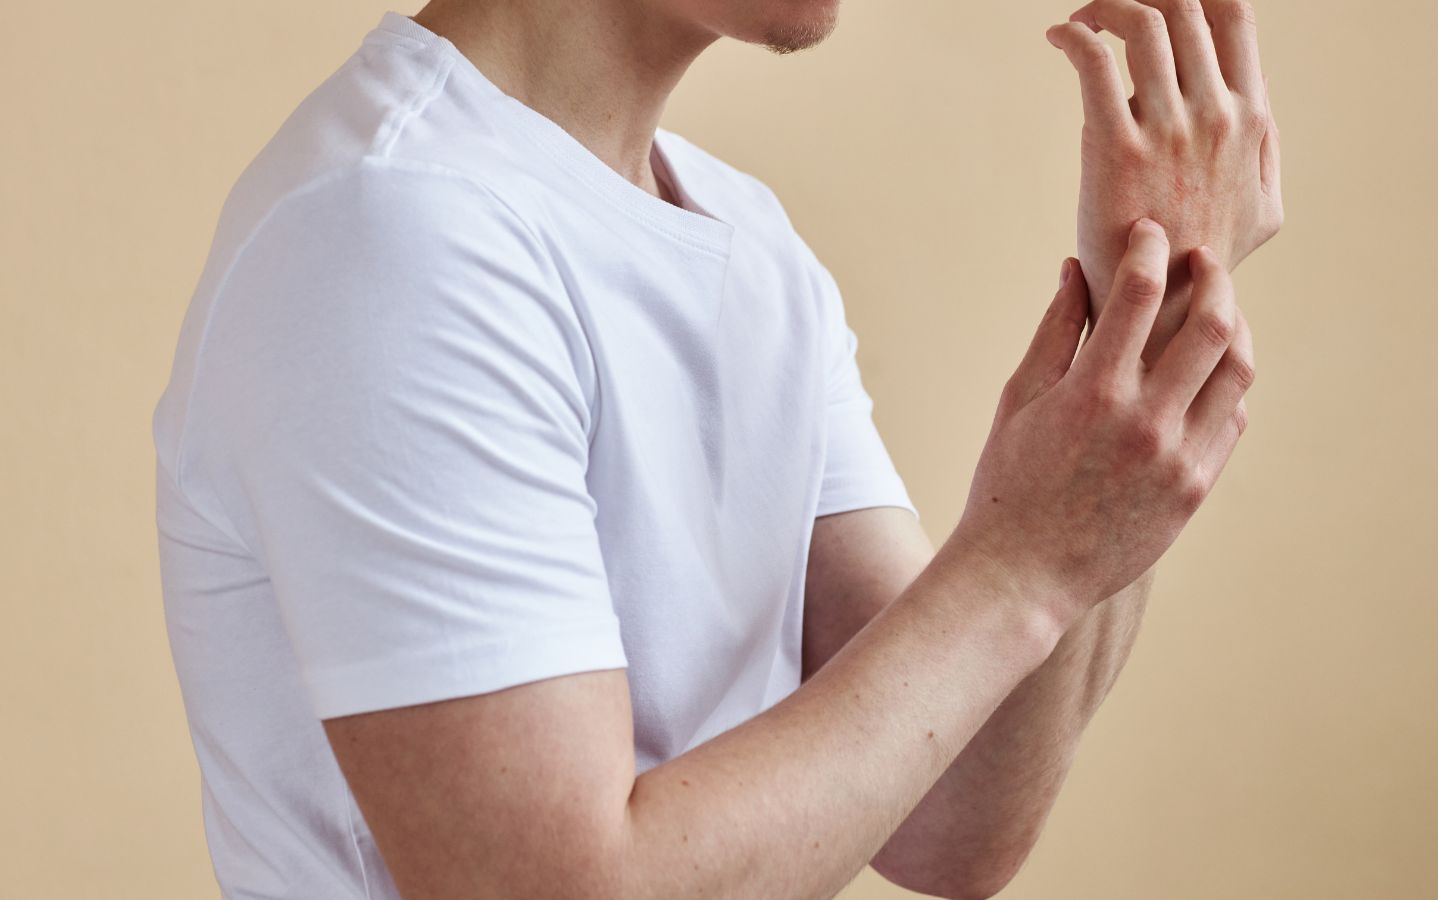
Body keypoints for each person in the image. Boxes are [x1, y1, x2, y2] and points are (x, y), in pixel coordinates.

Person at [151, 0, 1282, 896]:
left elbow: (956, 820)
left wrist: (1154, 314)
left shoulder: (748, 242)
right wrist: (1023, 562)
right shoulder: (396, 231)